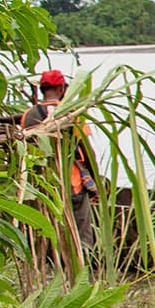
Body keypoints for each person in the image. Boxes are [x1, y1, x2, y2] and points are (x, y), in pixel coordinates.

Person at [21, 69, 98, 250]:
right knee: (82, 240)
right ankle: (84, 271)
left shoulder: (28, 115)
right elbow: (87, 152)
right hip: (72, 184)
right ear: (63, 89)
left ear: (41, 90)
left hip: (43, 185)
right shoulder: (73, 114)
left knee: (51, 235)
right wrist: (96, 183)